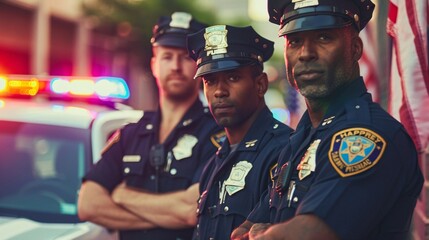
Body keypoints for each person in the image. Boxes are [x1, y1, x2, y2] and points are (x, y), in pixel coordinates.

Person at [231, 0, 424, 239]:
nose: (306, 54)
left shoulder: (368, 136)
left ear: (355, 48)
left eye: (324, 38)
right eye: (295, 41)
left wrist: (268, 233)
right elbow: (243, 230)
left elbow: (311, 234)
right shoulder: (300, 139)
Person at [77, 12, 225, 240]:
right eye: (167, 57)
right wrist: (166, 217)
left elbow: (190, 211)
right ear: (154, 65)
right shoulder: (130, 133)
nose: (175, 66)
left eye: (185, 57)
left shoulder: (217, 134)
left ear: (199, 66)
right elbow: (88, 204)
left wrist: (122, 196)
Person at [186, 25, 294, 240]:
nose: (219, 91)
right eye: (210, 81)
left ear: (260, 84)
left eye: (233, 78)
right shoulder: (215, 162)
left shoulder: (285, 150)